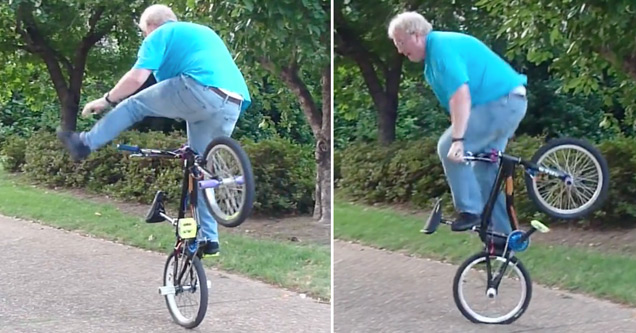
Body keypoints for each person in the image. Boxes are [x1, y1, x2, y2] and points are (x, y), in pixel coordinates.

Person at [57, 4, 251, 256]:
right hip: (231, 102)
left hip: (199, 89)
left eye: (143, 33)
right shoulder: (202, 32)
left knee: (134, 104)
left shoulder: (160, 34)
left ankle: (85, 143)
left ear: (150, 26)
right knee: (200, 168)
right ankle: (208, 238)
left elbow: (137, 78)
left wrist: (106, 100)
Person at [387, 11, 528, 235]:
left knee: (447, 146)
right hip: (508, 103)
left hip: (501, 102)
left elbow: (460, 95)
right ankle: (503, 238)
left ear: (416, 35)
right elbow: (458, 104)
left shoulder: (440, 48)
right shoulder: (434, 59)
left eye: (401, 42)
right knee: (484, 169)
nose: (399, 49)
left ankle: (470, 210)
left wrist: (459, 139)